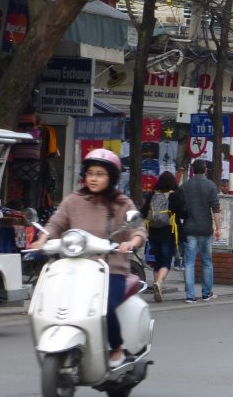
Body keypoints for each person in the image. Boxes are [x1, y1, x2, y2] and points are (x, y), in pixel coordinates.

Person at [30, 149, 147, 368]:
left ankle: (116, 349)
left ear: (111, 177)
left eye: (100, 174)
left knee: (105, 307)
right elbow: (56, 223)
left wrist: (132, 242)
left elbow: (138, 229)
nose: (93, 178)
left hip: (110, 269)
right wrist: (42, 239)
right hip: (74, 267)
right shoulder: (74, 200)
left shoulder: (122, 203)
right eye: (90, 173)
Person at [180, 159, 220, 304]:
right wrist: (218, 228)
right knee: (206, 261)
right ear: (205, 170)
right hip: (206, 229)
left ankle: (190, 296)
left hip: (190, 228)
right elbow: (216, 208)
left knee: (189, 263)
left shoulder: (185, 186)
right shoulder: (211, 186)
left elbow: (182, 208)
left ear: (193, 170)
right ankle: (206, 293)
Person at [143, 171, 181, 304]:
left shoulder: (151, 195)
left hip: (152, 232)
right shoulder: (174, 196)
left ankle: (156, 287)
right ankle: (158, 283)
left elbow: (143, 212)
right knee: (165, 262)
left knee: (157, 262)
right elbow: (182, 212)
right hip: (168, 232)